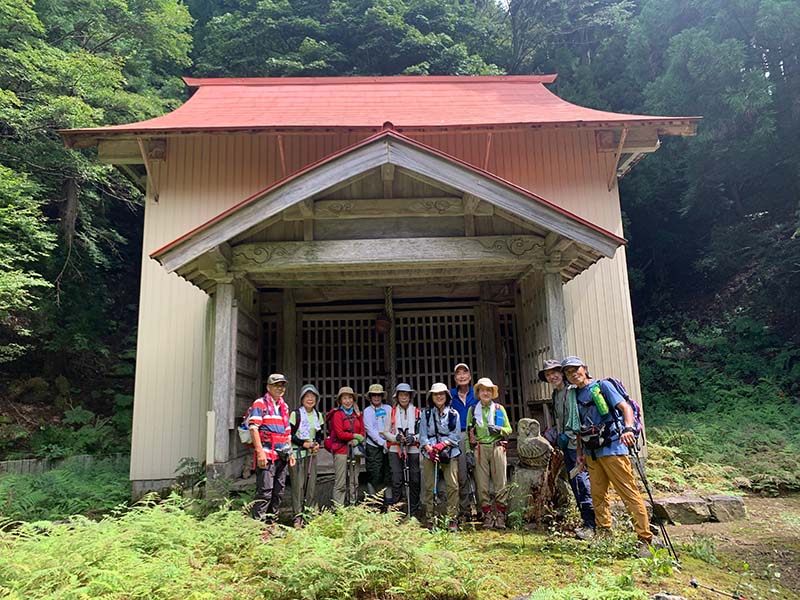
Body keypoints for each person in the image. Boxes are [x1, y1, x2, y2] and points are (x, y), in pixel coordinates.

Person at [561, 356, 656, 555]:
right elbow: (579, 427)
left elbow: (625, 408)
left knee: (628, 493)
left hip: (613, 448)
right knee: (598, 495)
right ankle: (604, 533)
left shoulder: (602, 386)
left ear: (584, 368)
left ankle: (645, 539)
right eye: (568, 372)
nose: (573, 374)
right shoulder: (573, 395)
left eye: (575, 369)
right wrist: (579, 453)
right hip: (591, 452)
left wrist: (628, 429)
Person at [539, 359, 596, 539]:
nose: (552, 376)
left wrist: (571, 438)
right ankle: (587, 522)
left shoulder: (572, 390)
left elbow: (577, 417)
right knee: (575, 482)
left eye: (555, 372)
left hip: (578, 444)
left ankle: (592, 524)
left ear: (562, 373)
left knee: (582, 482)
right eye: (548, 374)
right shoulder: (556, 394)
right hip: (567, 445)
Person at [247, 373, 296, 523]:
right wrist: (260, 453)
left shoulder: (284, 406)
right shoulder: (260, 403)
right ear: (268, 387)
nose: (280, 388)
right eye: (276, 385)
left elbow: (287, 431)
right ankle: (258, 527)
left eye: (282, 385)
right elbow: (253, 428)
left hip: (282, 455)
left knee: (278, 492)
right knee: (264, 492)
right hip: (267, 454)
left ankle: (271, 523)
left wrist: (291, 453)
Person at [466, 377, 512, 529]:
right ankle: (487, 514)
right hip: (480, 449)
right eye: (482, 390)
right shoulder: (473, 410)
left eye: (488, 390)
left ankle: (501, 515)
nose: (485, 393)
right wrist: (468, 451)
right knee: (482, 484)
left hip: (497, 446)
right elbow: (468, 433)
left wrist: (499, 429)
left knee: (500, 482)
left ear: (492, 393)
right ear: (478, 393)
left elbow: (509, 429)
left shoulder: (499, 408)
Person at [420, 382, 462, 531]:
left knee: (453, 486)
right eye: (436, 394)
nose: (439, 397)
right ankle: (431, 518)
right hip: (430, 453)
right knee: (429, 487)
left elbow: (455, 436)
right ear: (431, 397)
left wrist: (443, 444)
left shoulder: (453, 414)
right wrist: (429, 449)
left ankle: (452, 518)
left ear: (446, 396)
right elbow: (423, 435)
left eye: (441, 394)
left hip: (449, 452)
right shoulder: (425, 414)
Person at [381, 382, 421, 516]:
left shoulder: (417, 412)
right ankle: (397, 512)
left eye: (406, 395)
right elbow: (385, 432)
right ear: (397, 397)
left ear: (410, 397)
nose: (404, 398)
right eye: (401, 395)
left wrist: (414, 438)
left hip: (413, 449)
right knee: (397, 480)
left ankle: (414, 510)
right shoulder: (391, 412)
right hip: (395, 449)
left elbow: (423, 432)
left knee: (414, 479)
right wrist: (395, 438)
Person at [289, 383, 324, 528]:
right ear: (302, 399)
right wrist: (304, 444)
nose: (310, 399)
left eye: (313, 396)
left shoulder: (318, 415)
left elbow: (320, 435)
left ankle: (308, 514)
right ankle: (297, 516)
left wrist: (317, 444)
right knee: (298, 486)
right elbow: (290, 435)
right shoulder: (295, 414)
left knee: (311, 485)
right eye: (307, 396)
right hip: (297, 454)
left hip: (311, 455)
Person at [449, 363, 478, 520]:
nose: (462, 376)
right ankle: (465, 510)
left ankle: (483, 509)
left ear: (470, 376)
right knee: (462, 474)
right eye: (458, 374)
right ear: (455, 378)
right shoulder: (450, 395)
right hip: (458, 435)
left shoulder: (477, 393)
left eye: (464, 373)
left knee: (479, 473)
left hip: (477, 434)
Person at [328, 386, 365, 506]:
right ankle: (339, 508)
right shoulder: (337, 414)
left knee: (354, 480)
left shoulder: (357, 414)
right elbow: (340, 433)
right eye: (344, 398)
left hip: (354, 450)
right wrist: (354, 436)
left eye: (350, 398)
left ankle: (353, 505)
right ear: (340, 400)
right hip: (341, 451)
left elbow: (362, 431)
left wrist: (357, 440)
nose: (347, 401)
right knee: (341, 482)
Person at [362, 383, 392, 506]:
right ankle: (373, 502)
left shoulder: (388, 409)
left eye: (378, 395)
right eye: (374, 395)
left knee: (389, 473)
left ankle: (389, 502)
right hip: (373, 446)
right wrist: (382, 442)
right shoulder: (367, 411)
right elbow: (369, 430)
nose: (376, 398)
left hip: (389, 444)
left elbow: (393, 425)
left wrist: (389, 440)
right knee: (374, 473)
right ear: (370, 397)